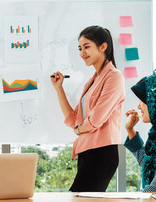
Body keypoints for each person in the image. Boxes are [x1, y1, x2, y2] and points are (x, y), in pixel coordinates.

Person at [51, 25, 125, 192]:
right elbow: (73, 119)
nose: (81, 53)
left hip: (102, 152)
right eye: (79, 48)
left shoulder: (114, 77)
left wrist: (79, 130)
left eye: (86, 47)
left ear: (103, 46)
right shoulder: (91, 82)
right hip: (87, 151)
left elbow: (96, 120)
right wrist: (59, 88)